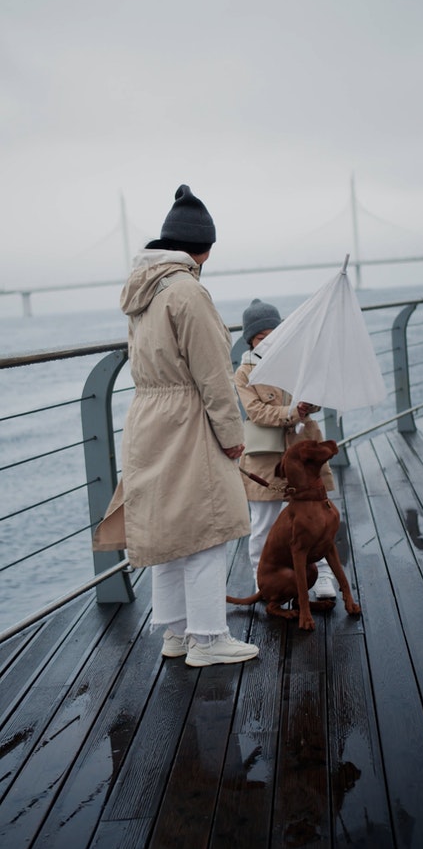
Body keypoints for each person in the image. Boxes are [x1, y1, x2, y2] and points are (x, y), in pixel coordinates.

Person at [93, 185, 258, 668]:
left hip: (148, 414)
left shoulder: (143, 289)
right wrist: (233, 438)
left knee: (168, 531)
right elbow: (214, 376)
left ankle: (176, 634)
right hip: (188, 419)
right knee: (207, 529)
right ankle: (208, 639)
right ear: (202, 248)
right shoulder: (188, 290)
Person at [234, 298, 338, 598]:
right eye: (260, 337)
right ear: (251, 340)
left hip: (304, 452)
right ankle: (262, 577)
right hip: (266, 457)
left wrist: (308, 404)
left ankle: (321, 577)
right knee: (264, 522)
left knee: (318, 518)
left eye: (273, 334)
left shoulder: (299, 361)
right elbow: (256, 412)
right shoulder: (244, 374)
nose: (268, 341)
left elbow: (316, 394)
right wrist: (294, 411)